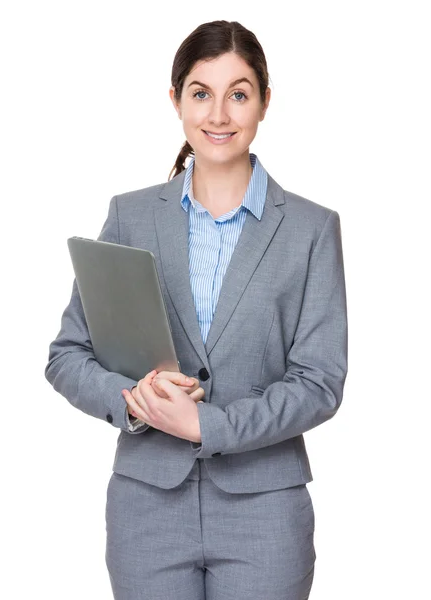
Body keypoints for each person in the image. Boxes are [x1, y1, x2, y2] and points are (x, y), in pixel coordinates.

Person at [44, 19, 348, 600]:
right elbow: (68, 354)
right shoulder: (130, 216)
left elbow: (321, 381)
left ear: (263, 103)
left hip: (264, 509)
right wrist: (131, 400)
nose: (219, 114)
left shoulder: (312, 229)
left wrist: (210, 425)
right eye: (201, 93)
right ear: (176, 100)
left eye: (239, 93)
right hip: (146, 508)